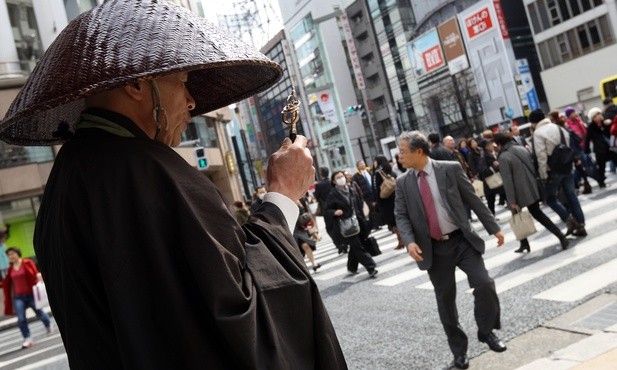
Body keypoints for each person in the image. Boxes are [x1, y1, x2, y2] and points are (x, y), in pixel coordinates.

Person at [0, 1, 347, 368]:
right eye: (181, 81)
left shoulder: (66, 179)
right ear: (136, 82)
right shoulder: (153, 176)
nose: (193, 100)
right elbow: (240, 316)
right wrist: (282, 194)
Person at [394, 131, 506, 370]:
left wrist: (493, 228)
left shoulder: (450, 168)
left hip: (462, 240)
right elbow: (401, 215)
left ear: (419, 152)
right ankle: (459, 352)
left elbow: (473, 199)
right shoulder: (403, 182)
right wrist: (410, 240)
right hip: (432, 249)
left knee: (484, 283)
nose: (399, 155)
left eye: (403, 151)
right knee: (446, 302)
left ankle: (486, 331)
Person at [494, 133, 569, 252]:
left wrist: (511, 200)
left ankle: (560, 236)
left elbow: (507, 181)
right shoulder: (521, 148)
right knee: (532, 213)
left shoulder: (503, 157)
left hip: (518, 191)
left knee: (528, 214)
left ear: (499, 143)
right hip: (532, 186)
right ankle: (525, 243)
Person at [529, 109, 587, 237]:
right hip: (567, 166)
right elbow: (567, 146)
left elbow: (541, 156)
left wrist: (543, 175)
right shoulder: (558, 128)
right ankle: (581, 224)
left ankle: (569, 219)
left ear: (534, 122)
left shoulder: (538, 133)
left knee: (550, 199)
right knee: (572, 196)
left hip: (552, 169)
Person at [326, 170, 378, 277]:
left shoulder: (351, 189)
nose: (341, 179)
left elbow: (359, 204)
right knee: (357, 246)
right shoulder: (333, 194)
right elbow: (327, 211)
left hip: (358, 221)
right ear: (334, 181)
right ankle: (370, 267)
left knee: (356, 246)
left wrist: (364, 218)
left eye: (342, 176)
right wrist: (334, 212)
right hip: (346, 225)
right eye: (338, 177)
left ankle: (351, 267)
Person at [2, 247, 53, 349]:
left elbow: (35, 274)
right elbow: (6, 283)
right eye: (9, 255)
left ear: (17, 253)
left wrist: (38, 277)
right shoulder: (10, 268)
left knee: (39, 313)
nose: (11, 256)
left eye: (12, 254)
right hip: (18, 297)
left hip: (31, 294)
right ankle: (27, 338)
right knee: (21, 319)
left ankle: (48, 324)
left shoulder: (27, 262)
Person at [374, 155, 404, 249]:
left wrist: (377, 202)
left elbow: (377, 189)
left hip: (385, 201)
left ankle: (402, 240)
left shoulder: (378, 173)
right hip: (395, 198)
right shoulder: (391, 170)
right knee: (398, 219)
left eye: (375, 161)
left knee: (392, 222)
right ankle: (402, 240)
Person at [586, 107, 616, 189]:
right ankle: (601, 182)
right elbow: (587, 138)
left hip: (609, 147)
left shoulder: (605, 123)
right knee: (601, 166)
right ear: (593, 118)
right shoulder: (591, 126)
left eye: (599, 114)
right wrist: (587, 149)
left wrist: (609, 123)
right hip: (600, 149)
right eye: (597, 115)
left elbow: (612, 131)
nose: (599, 116)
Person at [294, 197, 321, 272]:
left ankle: (314, 263)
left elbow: (306, 215)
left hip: (300, 228)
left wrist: (299, 205)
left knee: (305, 245)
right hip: (290, 230)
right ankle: (301, 268)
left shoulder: (299, 198)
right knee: (297, 251)